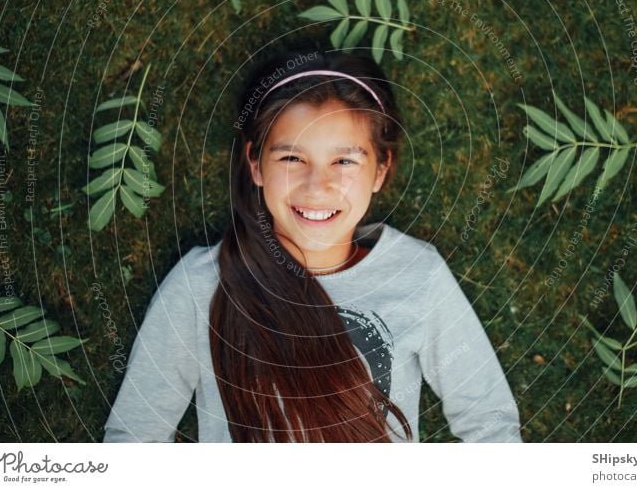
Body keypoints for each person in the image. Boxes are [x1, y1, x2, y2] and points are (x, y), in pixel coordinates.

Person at [103, 48, 522, 443]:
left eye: (344, 161)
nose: (317, 186)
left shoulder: (418, 275)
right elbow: (135, 438)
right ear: (255, 163)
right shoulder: (202, 286)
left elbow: (490, 423)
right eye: (291, 158)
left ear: (380, 170)